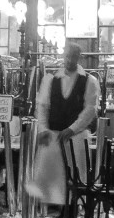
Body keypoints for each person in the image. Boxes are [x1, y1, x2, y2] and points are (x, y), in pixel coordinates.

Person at [27, 43, 100, 209]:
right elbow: (43, 107)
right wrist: (43, 129)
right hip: (53, 135)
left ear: (78, 57)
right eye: (67, 56)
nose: (69, 59)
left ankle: (75, 207)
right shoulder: (50, 79)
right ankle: (49, 210)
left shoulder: (89, 81)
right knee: (49, 178)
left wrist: (72, 129)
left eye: (73, 56)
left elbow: (90, 110)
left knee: (76, 175)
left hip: (77, 136)